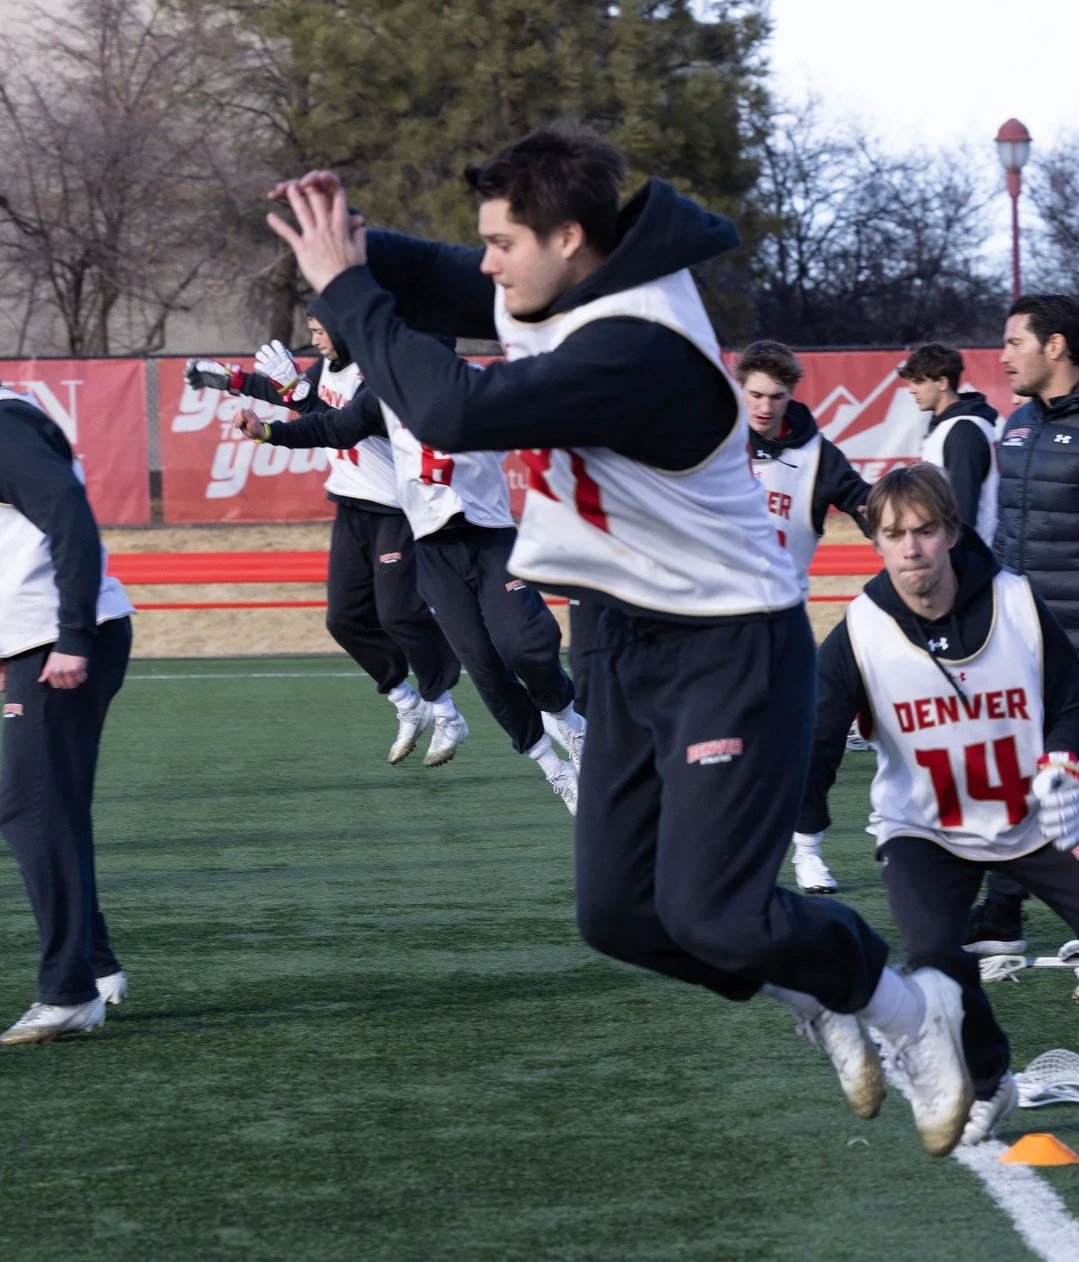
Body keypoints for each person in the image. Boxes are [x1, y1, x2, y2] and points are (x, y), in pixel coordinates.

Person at [262, 126, 974, 1150]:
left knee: (716, 912)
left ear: (570, 239)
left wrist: (344, 288)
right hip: (618, 630)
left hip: (724, 643)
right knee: (618, 916)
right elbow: (437, 275)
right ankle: (808, 989)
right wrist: (350, 242)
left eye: (503, 243)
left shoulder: (639, 342)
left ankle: (910, 1009)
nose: (488, 266)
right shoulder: (566, 284)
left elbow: (453, 408)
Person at [799, 463, 1079, 1143]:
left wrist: (1069, 765)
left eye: (924, 530)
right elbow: (818, 744)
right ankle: (988, 1082)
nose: (912, 548)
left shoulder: (1016, 602)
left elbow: (1076, 706)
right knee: (935, 959)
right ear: (875, 542)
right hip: (926, 828)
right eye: (895, 535)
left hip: (1040, 816)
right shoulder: (857, 632)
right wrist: (792, 818)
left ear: (951, 532)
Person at [0, 309, 134, 1043]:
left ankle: (69, 991)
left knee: (29, 811)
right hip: (38, 640)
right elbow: (1, 548)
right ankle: (94, 966)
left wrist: (71, 637)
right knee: (49, 810)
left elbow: (70, 519)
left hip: (63, 641)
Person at [240, 364, 586, 811]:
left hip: (490, 537)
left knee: (525, 644)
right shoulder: (386, 390)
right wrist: (269, 432)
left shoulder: (480, 382)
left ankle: (569, 721)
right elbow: (335, 427)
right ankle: (554, 769)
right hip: (434, 551)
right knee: (483, 667)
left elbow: (540, 417)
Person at [186, 318, 467, 766]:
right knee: (344, 620)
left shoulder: (380, 373)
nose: (314, 340)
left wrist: (293, 396)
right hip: (351, 505)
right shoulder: (329, 367)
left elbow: (341, 426)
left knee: (398, 614)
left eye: (320, 331)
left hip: (396, 508)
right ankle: (406, 702)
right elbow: (290, 392)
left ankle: (446, 711)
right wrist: (232, 381)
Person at [967, 293, 1079, 955]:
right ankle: (1002, 914)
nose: (1003, 356)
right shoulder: (1017, 423)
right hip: (1024, 632)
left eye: (1015, 342)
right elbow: (1007, 532)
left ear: (1056, 345)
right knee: (1018, 772)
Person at [734, 337, 872, 897]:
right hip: (710, 623)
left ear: (791, 395)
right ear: (740, 390)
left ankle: (807, 851)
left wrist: (897, 525)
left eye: (776, 396)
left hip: (782, 624)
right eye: (755, 394)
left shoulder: (817, 456)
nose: (765, 406)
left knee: (806, 743)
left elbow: (865, 503)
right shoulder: (712, 441)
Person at [897, 343, 1000, 540]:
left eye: (918, 381)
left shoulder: (963, 430)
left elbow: (963, 511)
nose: (911, 390)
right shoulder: (950, 425)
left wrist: (957, 555)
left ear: (943, 383)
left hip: (970, 552)